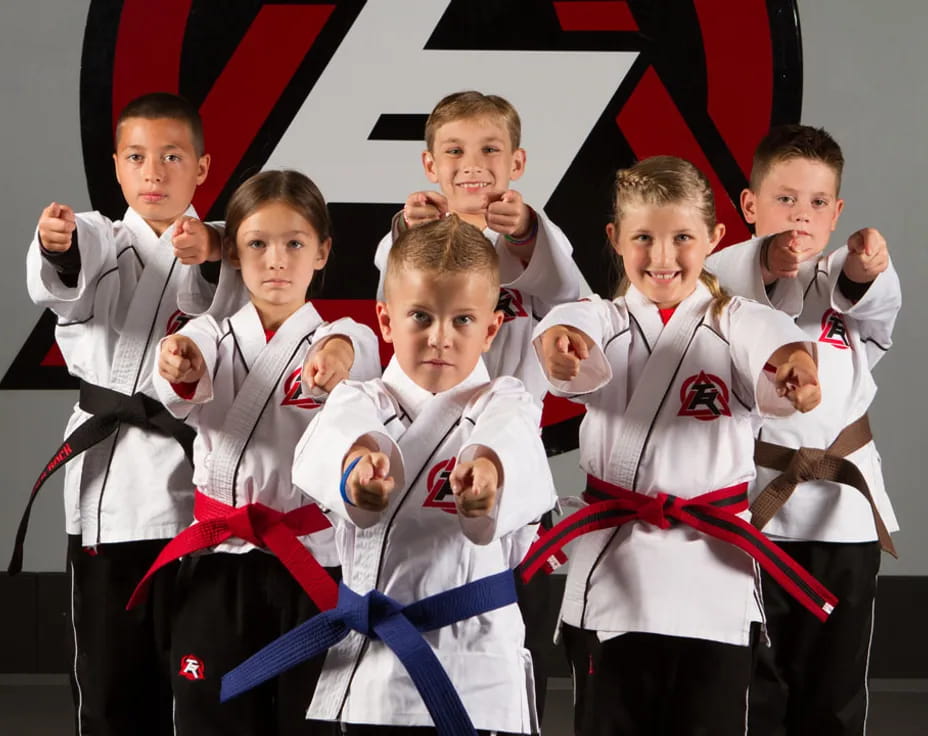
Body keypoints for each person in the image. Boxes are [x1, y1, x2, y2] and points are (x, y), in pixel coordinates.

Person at [526, 156, 834, 736]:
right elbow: (572, 326)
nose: (662, 257)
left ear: (716, 239)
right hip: (617, 574)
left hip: (711, 574)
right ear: (616, 240)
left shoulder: (738, 322)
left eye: (682, 238)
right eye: (643, 237)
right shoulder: (604, 319)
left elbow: (771, 338)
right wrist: (559, 344)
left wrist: (794, 363)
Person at [220, 215, 557, 735]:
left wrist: (488, 474)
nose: (440, 338)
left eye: (463, 320)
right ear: (384, 319)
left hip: (475, 665)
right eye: (420, 316)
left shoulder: (506, 401)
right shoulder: (361, 399)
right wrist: (357, 469)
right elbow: (340, 437)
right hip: (376, 669)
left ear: (491, 328)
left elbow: (508, 438)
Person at [126, 169, 378, 735]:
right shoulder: (210, 334)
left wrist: (336, 354)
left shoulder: (340, 338)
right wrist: (178, 360)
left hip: (312, 559)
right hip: (221, 561)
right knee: (209, 713)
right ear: (233, 255)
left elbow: (358, 348)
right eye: (257, 244)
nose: (276, 260)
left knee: (308, 718)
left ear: (323, 252)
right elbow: (189, 364)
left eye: (295, 243)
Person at [372, 88, 582, 720]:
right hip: (420, 464)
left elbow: (574, 299)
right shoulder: (410, 240)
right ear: (429, 164)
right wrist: (408, 231)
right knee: (412, 639)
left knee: (513, 648)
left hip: (509, 471)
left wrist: (525, 238)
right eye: (455, 150)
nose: (473, 162)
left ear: (517, 163)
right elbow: (390, 275)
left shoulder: (540, 247)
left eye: (491, 149)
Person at [14, 91, 218, 735]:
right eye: (136, 157)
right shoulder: (102, 236)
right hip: (110, 486)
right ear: (116, 166)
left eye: (171, 156)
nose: (153, 173)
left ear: (202, 168)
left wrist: (213, 251)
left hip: (196, 483)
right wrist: (59, 243)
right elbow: (71, 264)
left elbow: (235, 298)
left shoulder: (220, 249)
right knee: (109, 682)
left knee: (195, 678)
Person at [706, 125, 901, 735]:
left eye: (818, 203)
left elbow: (866, 293)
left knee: (835, 688)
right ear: (749, 206)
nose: (802, 215)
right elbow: (724, 281)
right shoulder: (725, 290)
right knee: (755, 685)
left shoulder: (846, 299)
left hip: (843, 516)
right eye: (785, 199)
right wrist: (767, 257)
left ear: (837, 211)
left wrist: (866, 264)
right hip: (755, 511)